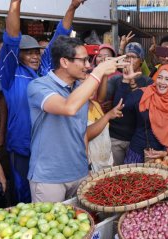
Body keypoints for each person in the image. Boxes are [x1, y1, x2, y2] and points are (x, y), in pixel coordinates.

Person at [0, 0, 85, 203]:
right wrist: (14, 4)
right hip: (22, 147)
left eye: (36, 51)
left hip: (49, 150)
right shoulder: (11, 74)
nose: (34, 55)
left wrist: (72, 8)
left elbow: (60, 35)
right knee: (25, 198)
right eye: (28, 52)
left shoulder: (46, 70)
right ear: (17, 56)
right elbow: (11, 38)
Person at [27, 35, 123, 202]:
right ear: (64, 62)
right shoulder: (39, 86)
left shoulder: (79, 87)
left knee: (83, 224)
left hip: (79, 173)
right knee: (53, 227)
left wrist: (86, 167)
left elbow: (81, 131)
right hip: (49, 177)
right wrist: (99, 71)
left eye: (89, 60)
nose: (88, 65)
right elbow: (68, 107)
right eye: (84, 60)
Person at [102, 42, 153, 165]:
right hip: (115, 137)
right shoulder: (115, 79)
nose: (129, 60)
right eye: (127, 57)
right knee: (115, 175)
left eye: (133, 57)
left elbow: (145, 109)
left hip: (136, 139)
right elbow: (114, 105)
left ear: (141, 60)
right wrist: (125, 80)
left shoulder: (148, 82)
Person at [116, 64, 168, 163]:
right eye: (160, 77)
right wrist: (125, 81)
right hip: (137, 154)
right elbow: (119, 106)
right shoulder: (144, 94)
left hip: (162, 158)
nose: (162, 82)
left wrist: (166, 152)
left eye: (167, 79)